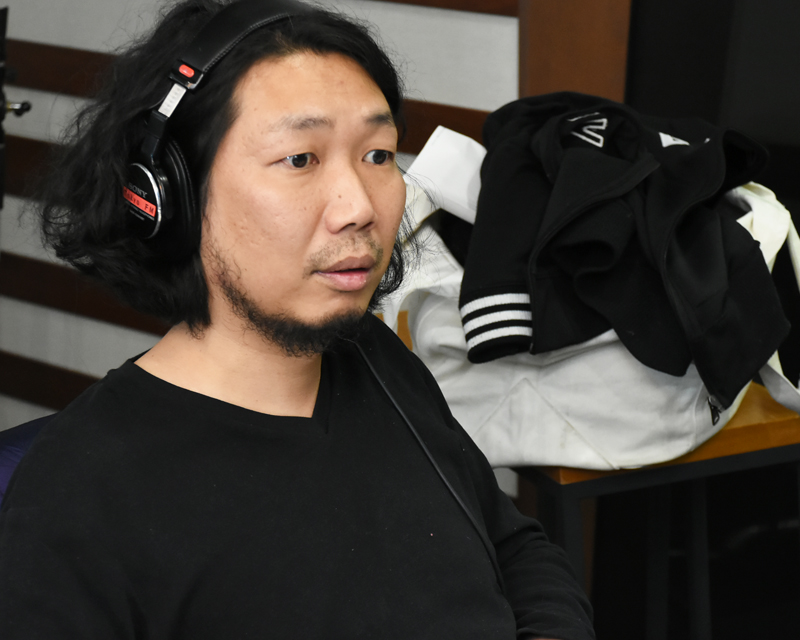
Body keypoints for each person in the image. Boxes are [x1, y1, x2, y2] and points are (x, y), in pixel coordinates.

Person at [0, 1, 594, 638]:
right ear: (171, 197)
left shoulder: (377, 360)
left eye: (378, 155)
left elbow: (513, 549)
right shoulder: (79, 490)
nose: (358, 206)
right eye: (300, 159)